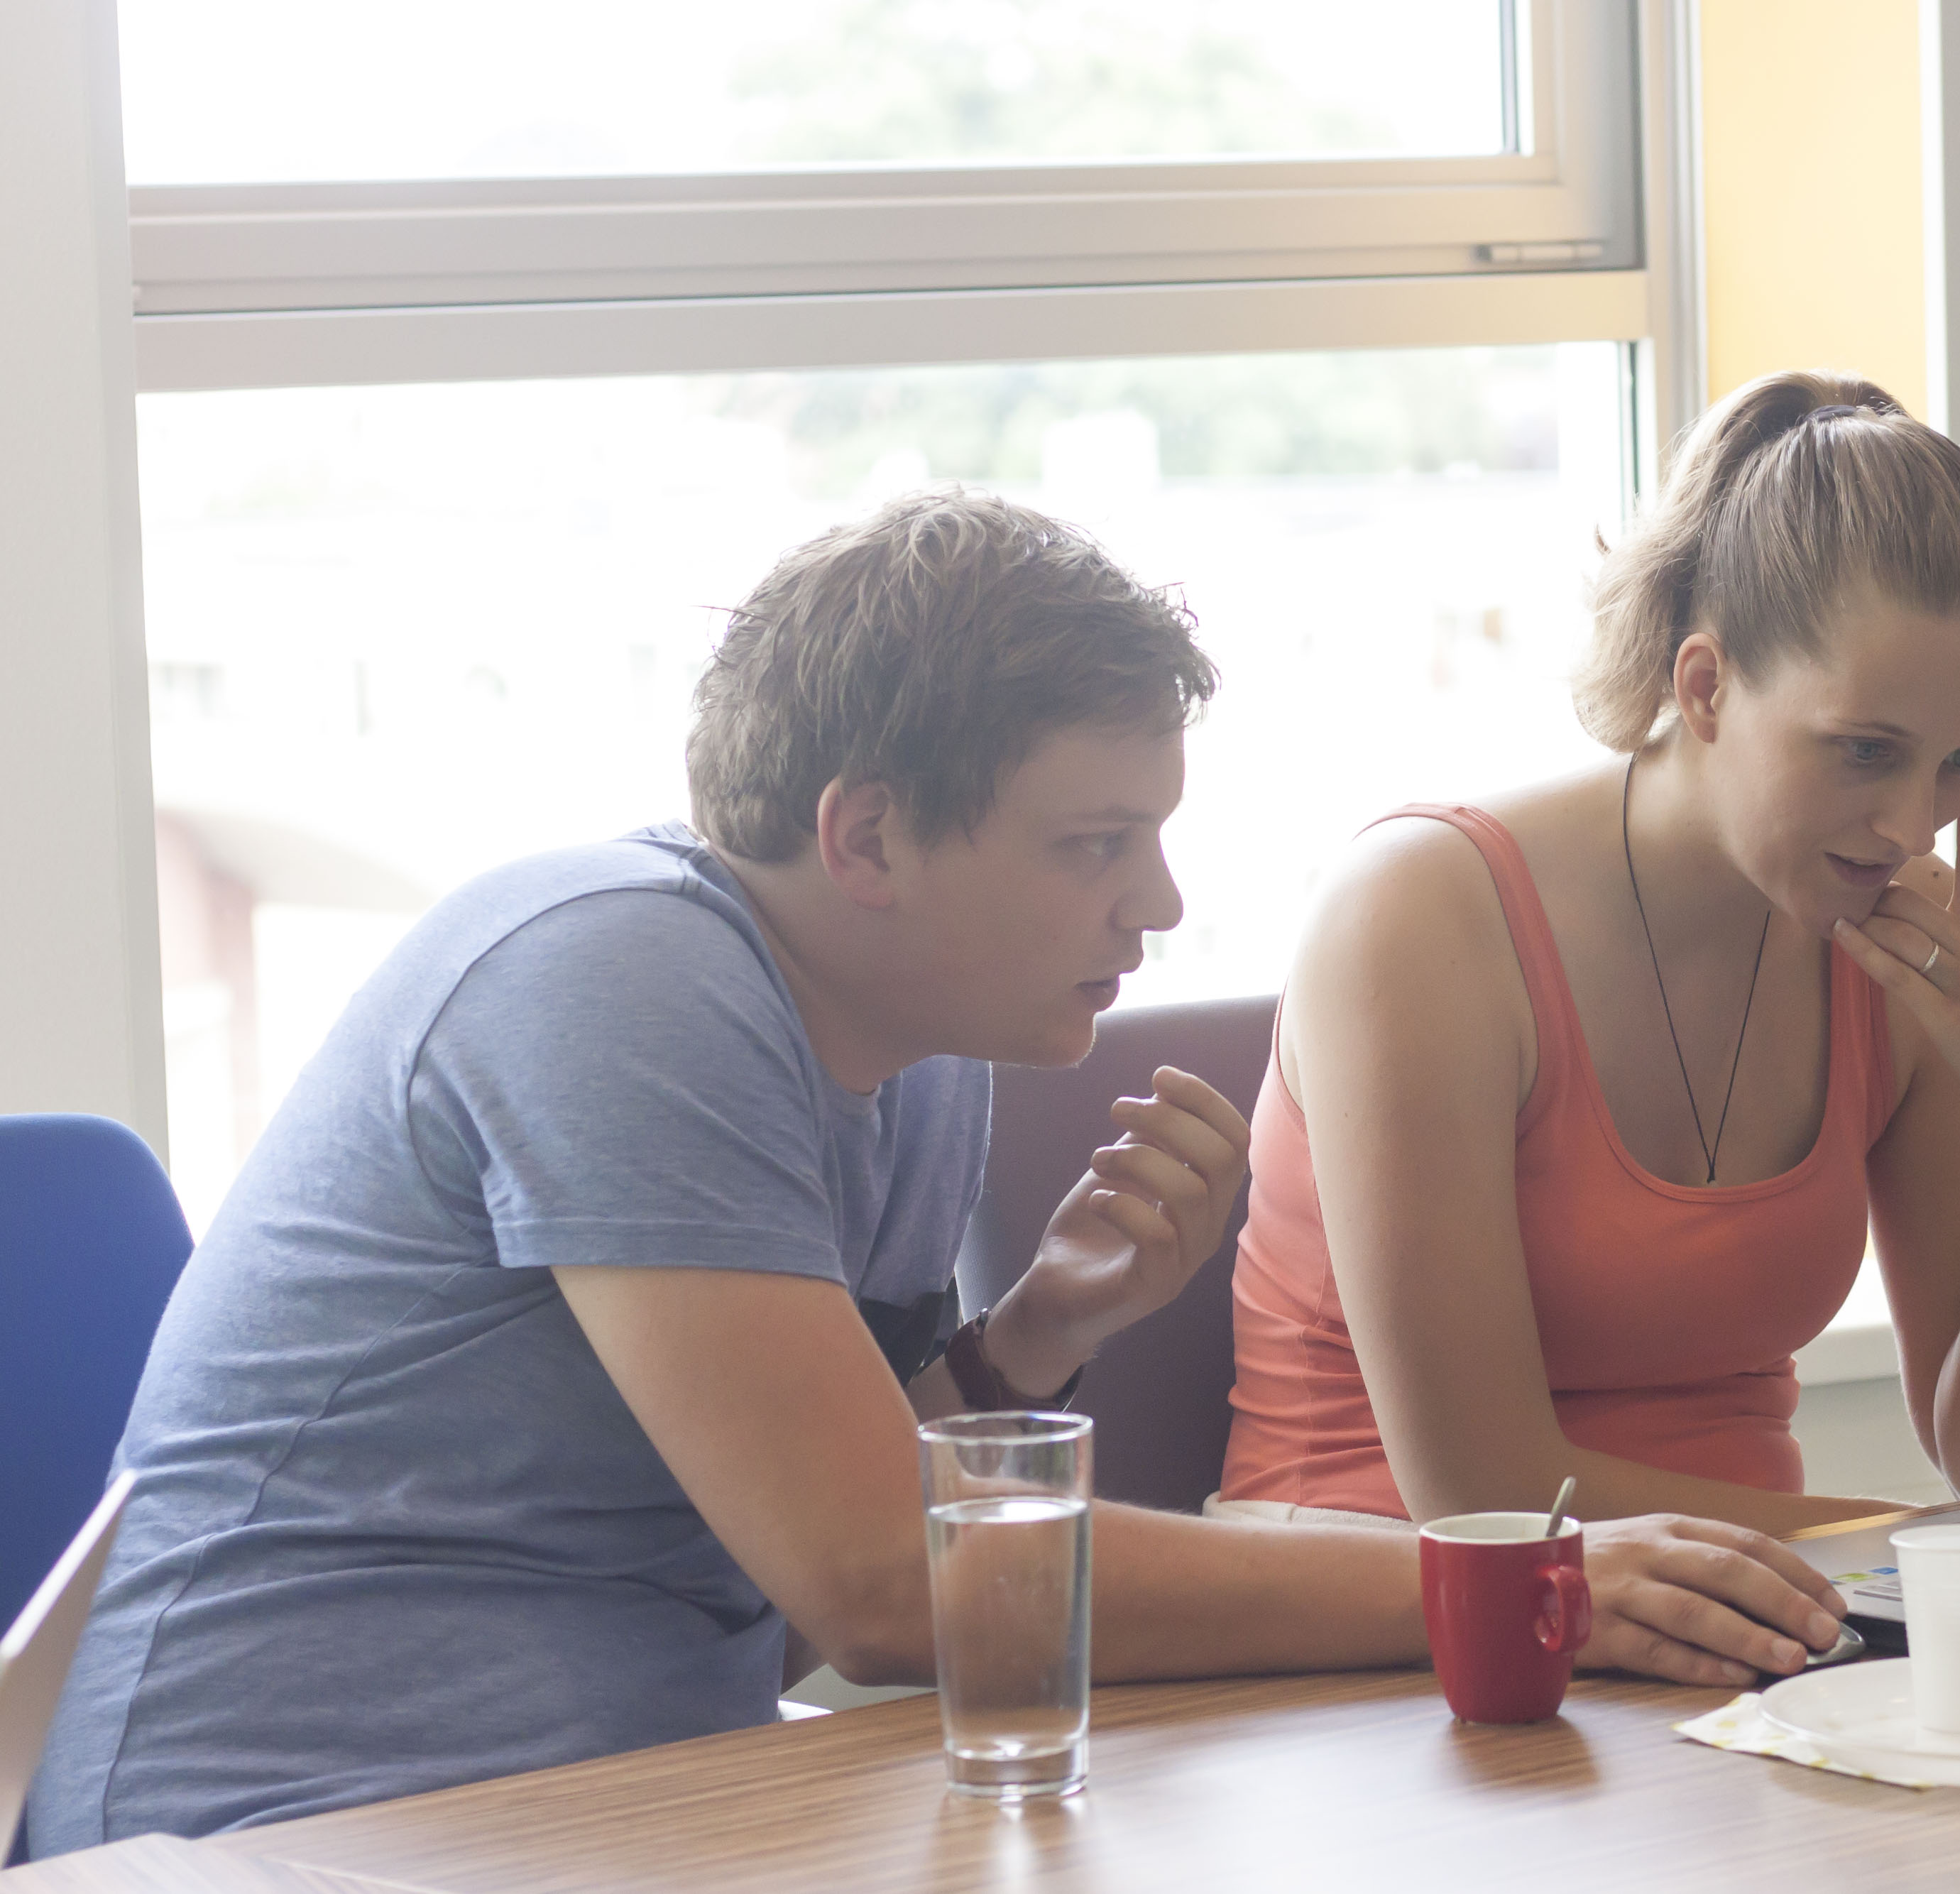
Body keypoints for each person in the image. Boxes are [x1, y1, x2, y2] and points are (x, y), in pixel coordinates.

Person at [28, 490, 1850, 1853]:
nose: (1155, 902)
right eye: (1093, 843)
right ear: (867, 836)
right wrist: (1499, 1582)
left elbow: (797, 1546)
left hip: (634, 1797)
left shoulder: (926, 1051)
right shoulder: (613, 978)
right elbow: (882, 1588)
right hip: (283, 1819)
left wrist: (1029, 1336)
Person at [1218, 371, 1960, 1540]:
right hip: (1378, 1597)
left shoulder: (1897, 939)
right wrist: (1900, 1552)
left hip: (1751, 1610)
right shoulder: (1417, 918)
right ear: (1704, 687)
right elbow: (1481, 1497)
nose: (1911, 826)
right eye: (1863, 751)